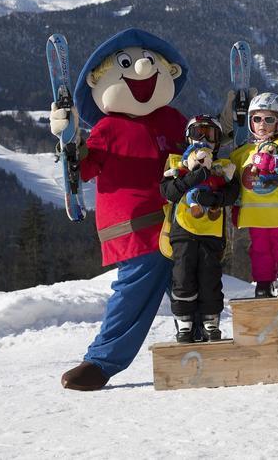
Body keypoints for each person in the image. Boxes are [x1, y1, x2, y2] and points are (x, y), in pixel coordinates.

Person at [50, 28, 189, 392]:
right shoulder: (108, 129)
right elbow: (86, 166)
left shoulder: (173, 120)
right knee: (135, 290)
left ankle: (200, 342)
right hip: (137, 226)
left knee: (192, 283)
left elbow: (198, 150)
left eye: (151, 60)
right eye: (126, 64)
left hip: (182, 221)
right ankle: (102, 360)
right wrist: (70, 143)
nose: (143, 68)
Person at [159, 115, 240, 342]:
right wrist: (193, 177)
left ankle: (210, 322)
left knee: (210, 278)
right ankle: (184, 322)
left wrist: (214, 198)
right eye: (198, 133)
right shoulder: (177, 163)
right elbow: (168, 192)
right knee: (183, 277)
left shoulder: (223, 168)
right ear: (188, 137)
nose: (204, 138)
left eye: (210, 134)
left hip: (211, 233)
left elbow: (233, 193)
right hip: (183, 231)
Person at [229, 92, 278, 298]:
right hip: (256, 216)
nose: (262, 124)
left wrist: (275, 162)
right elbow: (234, 178)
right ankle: (263, 282)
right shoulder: (243, 152)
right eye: (256, 119)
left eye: (269, 119)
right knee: (259, 250)